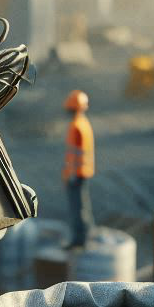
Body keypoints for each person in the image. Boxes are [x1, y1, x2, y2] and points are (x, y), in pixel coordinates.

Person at [62, 89, 95, 249]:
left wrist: (72, 174)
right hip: (83, 171)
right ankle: (86, 235)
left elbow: (74, 154)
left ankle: (80, 240)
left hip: (77, 174)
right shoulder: (83, 123)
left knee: (78, 208)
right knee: (82, 206)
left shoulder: (76, 126)